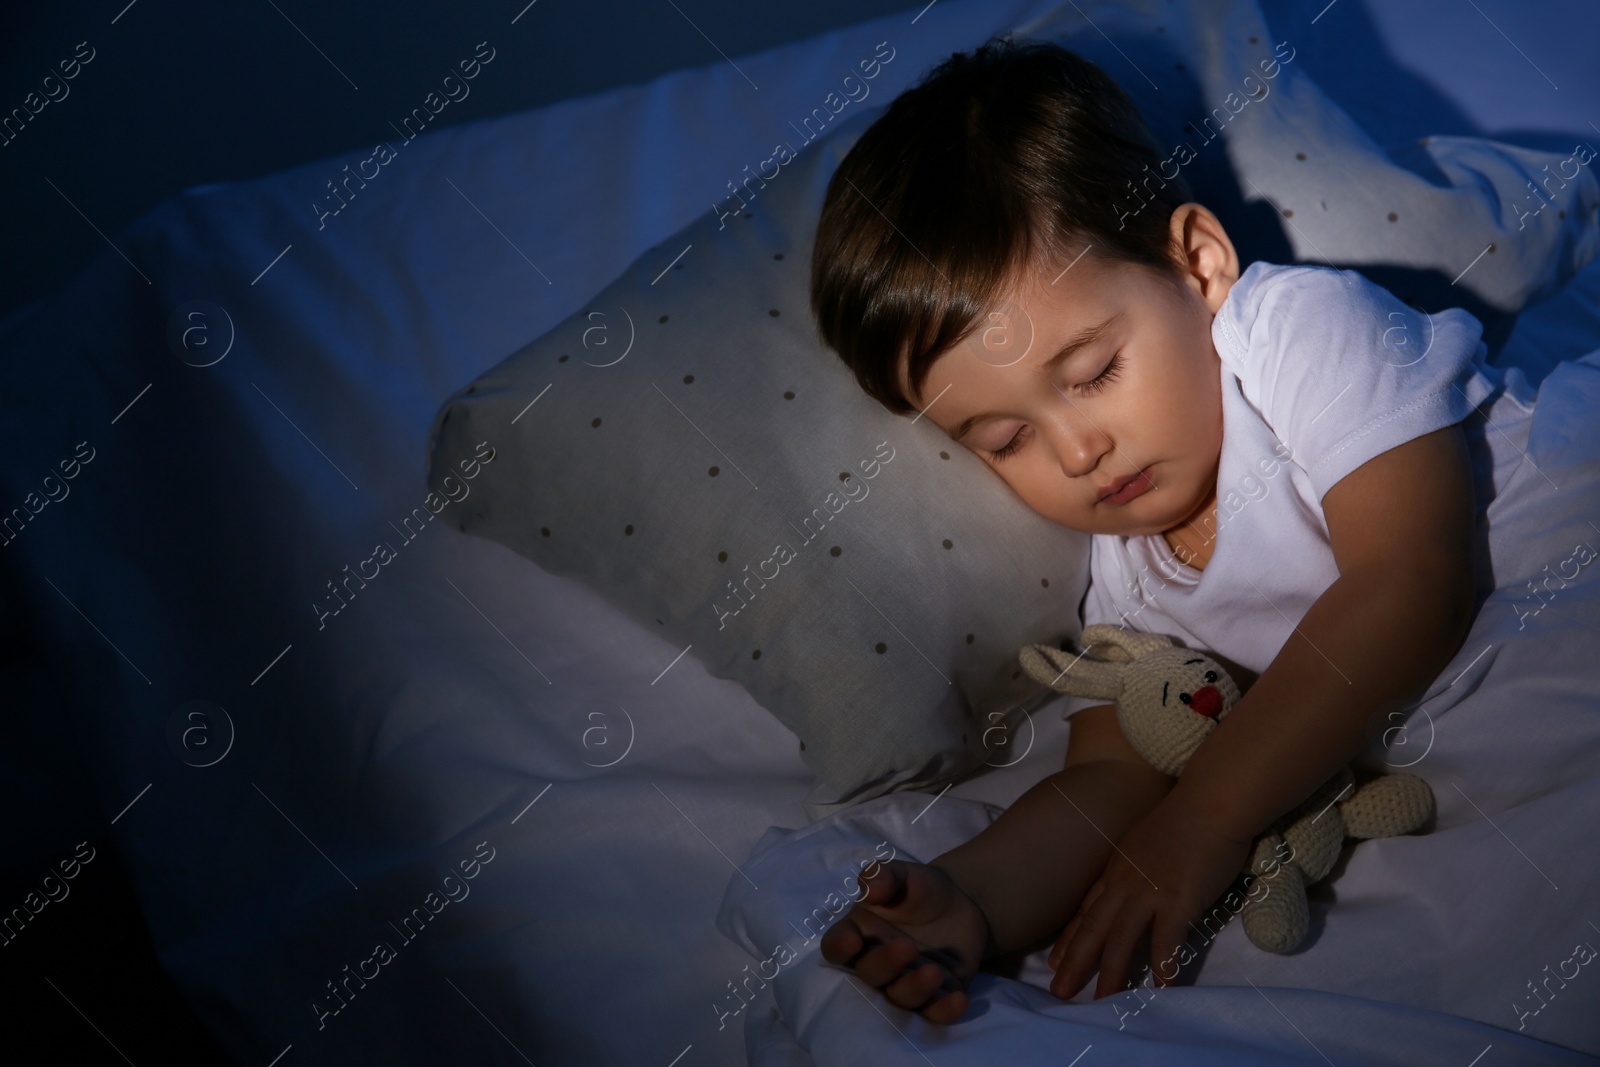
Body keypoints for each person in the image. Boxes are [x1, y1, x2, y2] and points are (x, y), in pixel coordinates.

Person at [808, 35, 1505, 1023]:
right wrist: (970, 898)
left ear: (1197, 263)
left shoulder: (1296, 330)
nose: (1078, 450)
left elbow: (1410, 580)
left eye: (1091, 373)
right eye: (1006, 438)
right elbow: (1103, 779)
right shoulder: (1126, 573)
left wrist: (1207, 819)